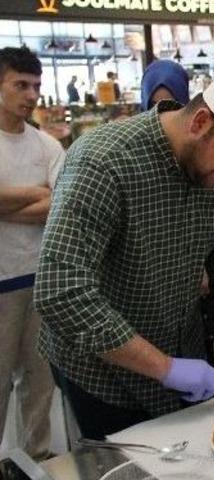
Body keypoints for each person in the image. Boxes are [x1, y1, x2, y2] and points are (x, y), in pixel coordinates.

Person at [34, 35, 214, 440]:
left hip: (182, 346)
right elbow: (62, 290)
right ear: (200, 123)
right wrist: (164, 368)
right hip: (104, 374)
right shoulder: (105, 160)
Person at [0, 46, 64, 461]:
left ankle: (35, 458)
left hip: (41, 280)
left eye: (36, 86)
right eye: (20, 84)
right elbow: (49, 198)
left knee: (40, 381)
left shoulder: (46, 146)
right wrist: (39, 194)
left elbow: (61, 203)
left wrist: (8, 204)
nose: (31, 94)